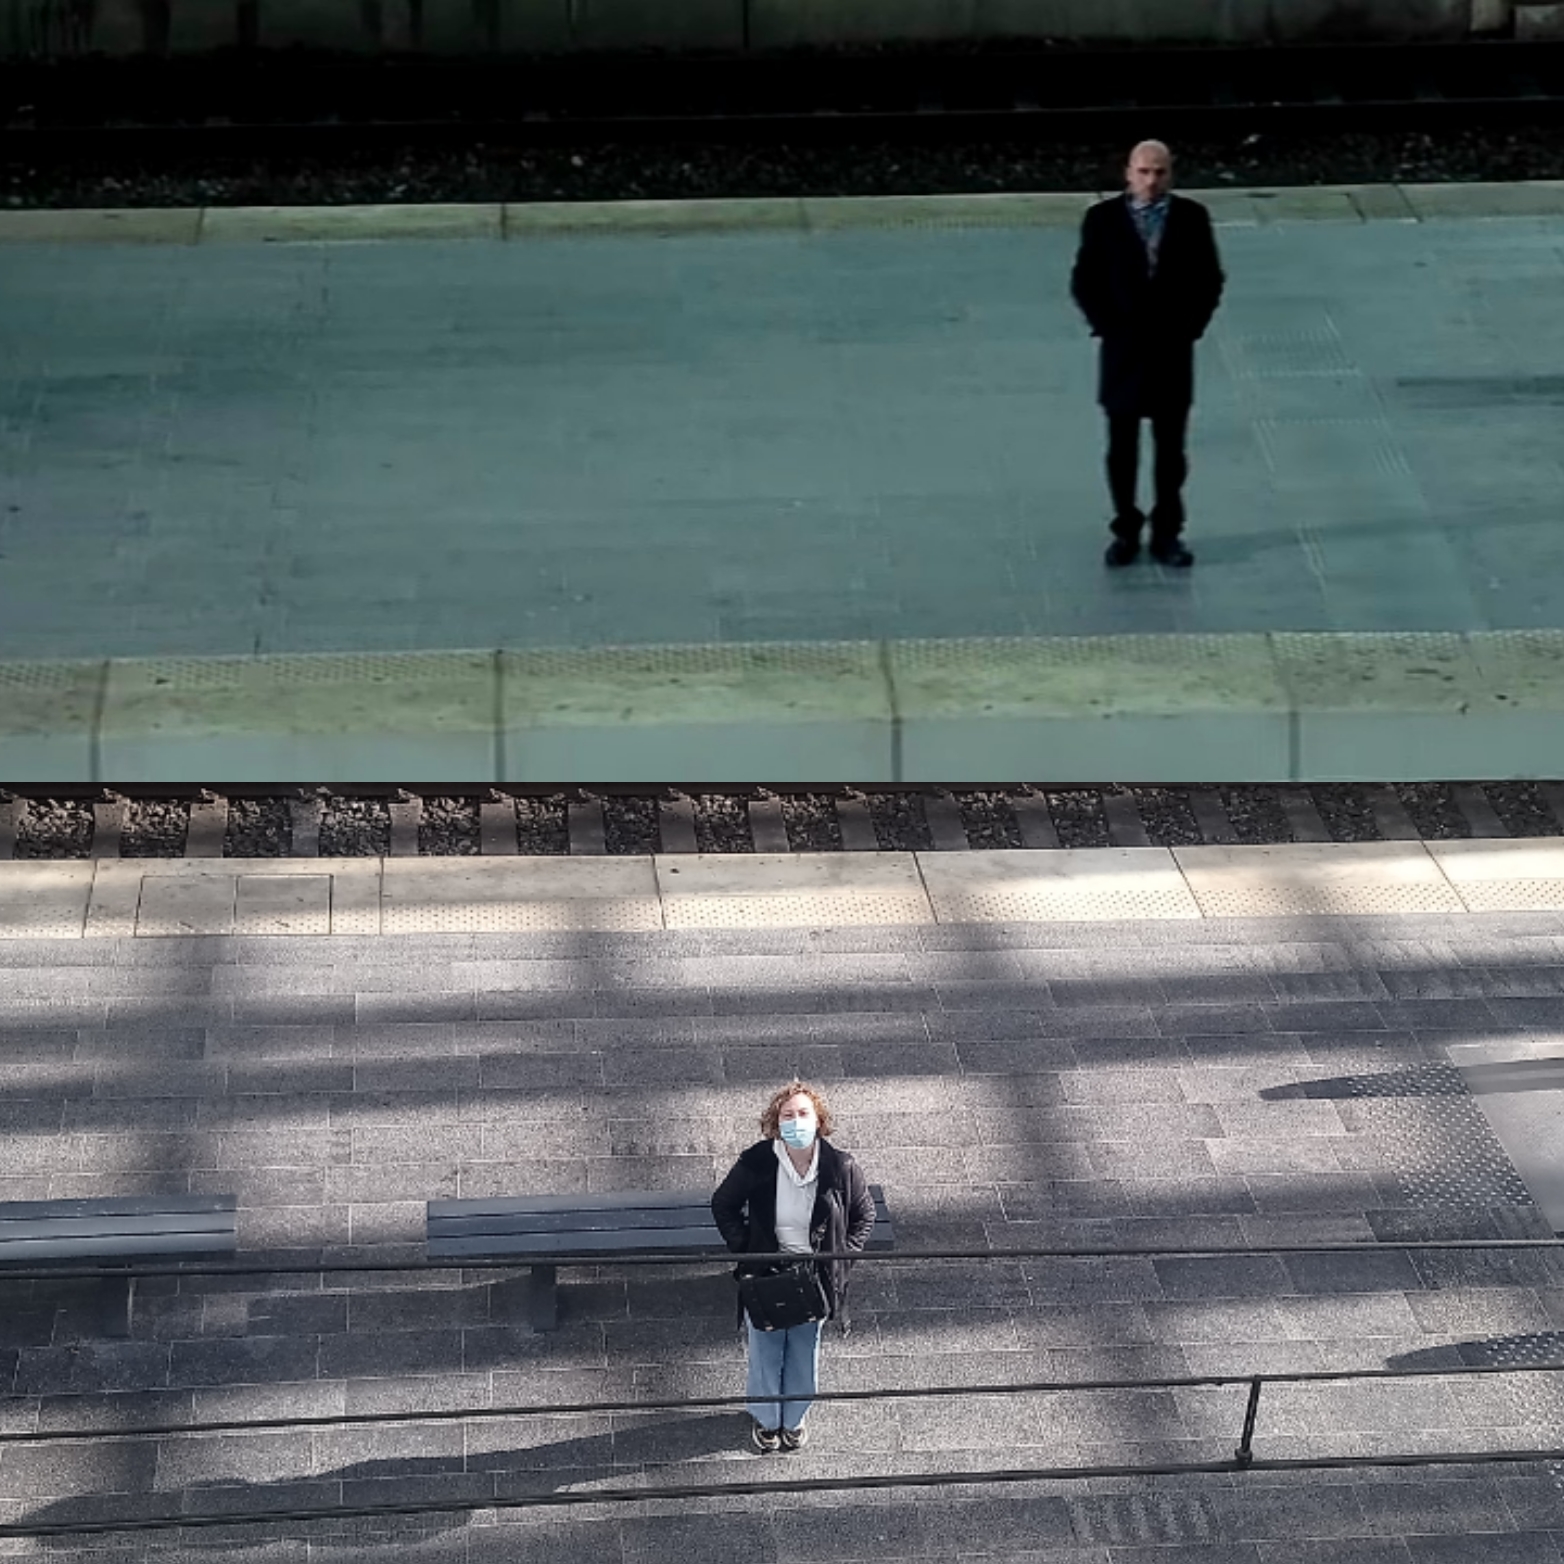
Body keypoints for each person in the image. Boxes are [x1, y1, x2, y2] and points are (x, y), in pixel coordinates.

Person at [1070, 139, 1226, 569]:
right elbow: (1086, 279)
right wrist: (1107, 327)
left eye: (1159, 172)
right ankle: (1125, 528)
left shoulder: (1192, 218)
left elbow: (1209, 279)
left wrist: (1189, 329)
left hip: (1171, 353)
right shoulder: (1101, 220)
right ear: (1127, 173)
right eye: (1143, 172)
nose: (1151, 181)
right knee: (1122, 450)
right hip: (1123, 353)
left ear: (1170, 174)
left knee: (1170, 452)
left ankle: (1167, 533)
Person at [710, 1080, 876, 1455]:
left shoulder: (840, 1166)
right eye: (788, 1115)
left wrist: (841, 1260)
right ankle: (767, 1420)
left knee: (804, 1349)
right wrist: (745, 1249)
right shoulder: (757, 1161)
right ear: (775, 1123)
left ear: (819, 1120)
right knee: (765, 1347)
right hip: (768, 1272)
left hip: (813, 1276)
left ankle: (794, 1417)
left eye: (803, 1113)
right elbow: (724, 1204)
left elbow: (864, 1215)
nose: (796, 1120)